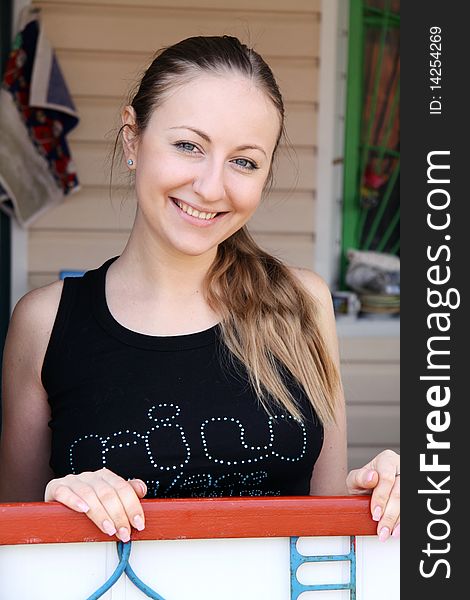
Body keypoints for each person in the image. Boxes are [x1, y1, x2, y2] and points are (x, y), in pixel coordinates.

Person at [0, 35, 399, 546]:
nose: (211, 187)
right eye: (189, 145)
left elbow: (322, 517)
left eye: (244, 161)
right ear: (132, 138)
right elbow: (14, 538)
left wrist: (379, 497)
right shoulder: (44, 323)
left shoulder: (302, 303)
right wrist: (61, 502)